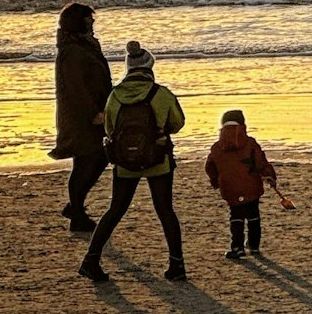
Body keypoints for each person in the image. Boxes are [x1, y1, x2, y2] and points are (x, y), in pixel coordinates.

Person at [79, 41, 187, 282]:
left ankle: (91, 259)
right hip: (158, 160)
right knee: (165, 210)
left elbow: (109, 129)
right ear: (150, 68)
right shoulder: (161, 94)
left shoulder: (115, 96)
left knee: (116, 209)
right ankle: (176, 265)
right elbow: (177, 124)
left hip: (124, 162)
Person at [52, 2, 113, 234]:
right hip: (82, 117)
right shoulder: (72, 51)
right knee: (87, 160)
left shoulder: (82, 45)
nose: (93, 24)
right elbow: (76, 87)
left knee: (96, 158)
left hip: (95, 111)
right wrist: (93, 113)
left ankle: (75, 207)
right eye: (89, 20)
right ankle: (76, 212)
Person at [204, 109, 278, 260]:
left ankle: (237, 247)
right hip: (251, 185)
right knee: (253, 214)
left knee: (236, 215)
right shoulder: (250, 143)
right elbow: (261, 162)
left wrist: (215, 181)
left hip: (230, 186)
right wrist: (270, 176)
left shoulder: (217, 147)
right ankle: (254, 245)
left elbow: (210, 167)